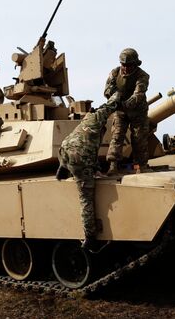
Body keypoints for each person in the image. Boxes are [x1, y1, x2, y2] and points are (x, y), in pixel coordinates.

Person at [56, 92, 120, 250]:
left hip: (65, 149)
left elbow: (91, 152)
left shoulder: (85, 123)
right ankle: (90, 237)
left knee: (71, 154)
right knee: (86, 198)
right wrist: (118, 94)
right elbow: (109, 106)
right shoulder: (97, 118)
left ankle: (63, 168)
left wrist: (95, 168)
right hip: (80, 158)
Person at [104, 48, 150, 174]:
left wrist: (125, 104)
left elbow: (138, 94)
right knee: (117, 136)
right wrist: (115, 99)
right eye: (123, 64)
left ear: (135, 64)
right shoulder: (115, 73)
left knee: (139, 137)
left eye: (128, 65)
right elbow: (108, 90)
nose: (125, 67)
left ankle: (142, 166)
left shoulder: (142, 76)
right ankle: (113, 166)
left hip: (137, 111)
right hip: (120, 111)